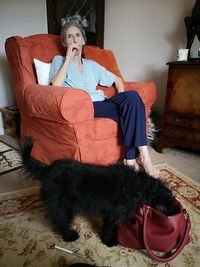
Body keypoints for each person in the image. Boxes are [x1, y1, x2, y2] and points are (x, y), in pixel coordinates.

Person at [49, 20, 159, 177]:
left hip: (103, 102)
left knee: (133, 98)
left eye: (77, 35)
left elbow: (117, 80)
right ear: (64, 42)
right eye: (69, 36)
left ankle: (139, 158)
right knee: (129, 111)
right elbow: (55, 86)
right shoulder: (59, 61)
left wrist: (121, 95)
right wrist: (68, 58)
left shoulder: (92, 65)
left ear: (83, 40)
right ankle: (134, 159)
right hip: (84, 105)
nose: (74, 39)